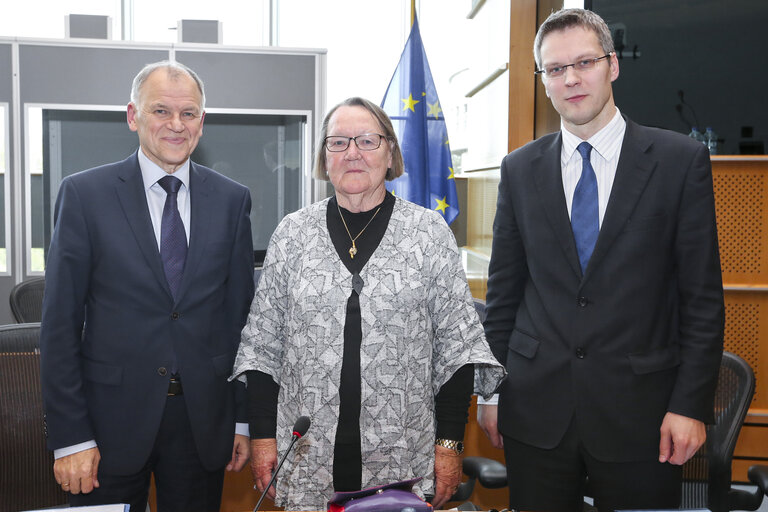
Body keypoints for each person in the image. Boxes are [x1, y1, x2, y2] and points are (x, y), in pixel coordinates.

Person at [477, 8, 725, 512]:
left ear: (613, 65)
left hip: (644, 418)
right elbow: (503, 295)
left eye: (584, 62)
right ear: (543, 80)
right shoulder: (520, 169)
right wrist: (490, 392)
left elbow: (701, 300)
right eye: (555, 69)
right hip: (536, 412)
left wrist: (688, 406)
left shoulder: (679, 163)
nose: (570, 79)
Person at [231, 97, 505, 511]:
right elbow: (263, 348)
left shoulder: (428, 233)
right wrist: (264, 437)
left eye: (367, 140)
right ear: (324, 157)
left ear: (390, 151)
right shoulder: (292, 235)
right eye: (338, 142)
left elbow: (457, 350)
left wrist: (449, 445)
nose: (352, 153)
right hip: (308, 458)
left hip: (401, 457)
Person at [40, 60, 255, 512]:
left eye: (189, 113)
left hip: (201, 424)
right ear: (133, 116)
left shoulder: (233, 200)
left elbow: (239, 321)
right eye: (161, 111)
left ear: (202, 121)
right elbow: (59, 324)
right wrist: (70, 437)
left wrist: (239, 419)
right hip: (107, 425)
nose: (176, 125)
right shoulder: (84, 195)